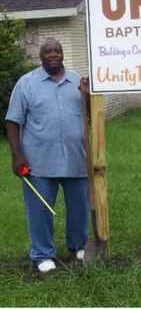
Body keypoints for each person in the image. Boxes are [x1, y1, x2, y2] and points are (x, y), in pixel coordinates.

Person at [5, 37, 89, 274]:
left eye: (57, 51)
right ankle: (42, 254)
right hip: (38, 161)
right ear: (40, 56)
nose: (53, 55)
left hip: (76, 157)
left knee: (79, 207)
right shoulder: (26, 83)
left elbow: (93, 115)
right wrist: (16, 156)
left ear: (63, 55)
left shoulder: (78, 81)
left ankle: (79, 246)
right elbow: (13, 121)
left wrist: (87, 96)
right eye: (48, 51)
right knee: (39, 210)